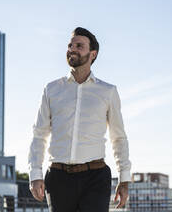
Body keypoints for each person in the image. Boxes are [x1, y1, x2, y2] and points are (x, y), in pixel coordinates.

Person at [28, 27, 131, 212]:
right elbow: (39, 134)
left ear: (93, 54)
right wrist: (35, 174)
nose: (72, 49)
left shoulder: (108, 91)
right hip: (58, 177)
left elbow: (118, 137)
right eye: (70, 45)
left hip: (96, 177)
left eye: (79, 45)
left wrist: (124, 179)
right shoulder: (51, 89)